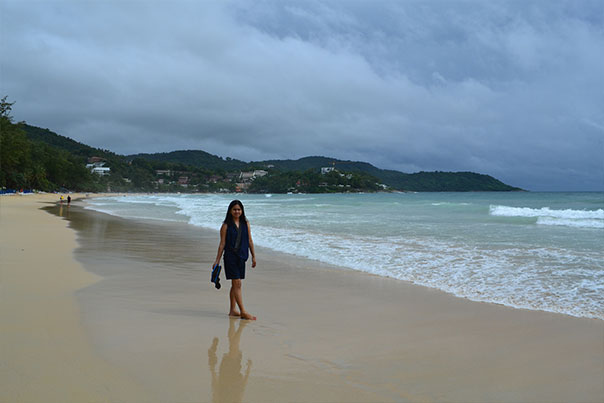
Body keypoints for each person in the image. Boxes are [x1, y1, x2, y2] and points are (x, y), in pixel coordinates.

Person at [213, 200, 257, 320]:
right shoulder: (225, 226)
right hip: (230, 257)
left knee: (236, 284)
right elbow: (222, 244)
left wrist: (253, 256)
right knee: (237, 283)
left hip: (242, 256)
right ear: (230, 211)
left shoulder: (245, 223)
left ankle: (233, 310)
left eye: (239, 209)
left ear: (242, 211)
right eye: (234, 209)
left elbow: (249, 240)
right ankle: (243, 311)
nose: (237, 211)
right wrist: (217, 260)